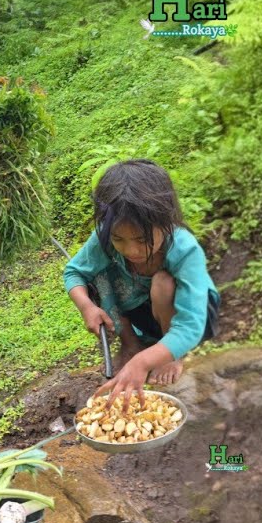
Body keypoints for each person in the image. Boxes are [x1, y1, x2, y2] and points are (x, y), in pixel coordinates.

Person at [64, 159, 220, 399]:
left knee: (163, 283)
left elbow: (191, 324)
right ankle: (130, 342)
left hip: (191, 314)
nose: (131, 250)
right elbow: (74, 272)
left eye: (142, 240)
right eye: (119, 239)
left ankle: (172, 353)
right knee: (99, 274)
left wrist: (144, 363)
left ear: (165, 223)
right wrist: (87, 308)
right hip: (142, 311)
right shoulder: (105, 236)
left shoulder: (184, 248)